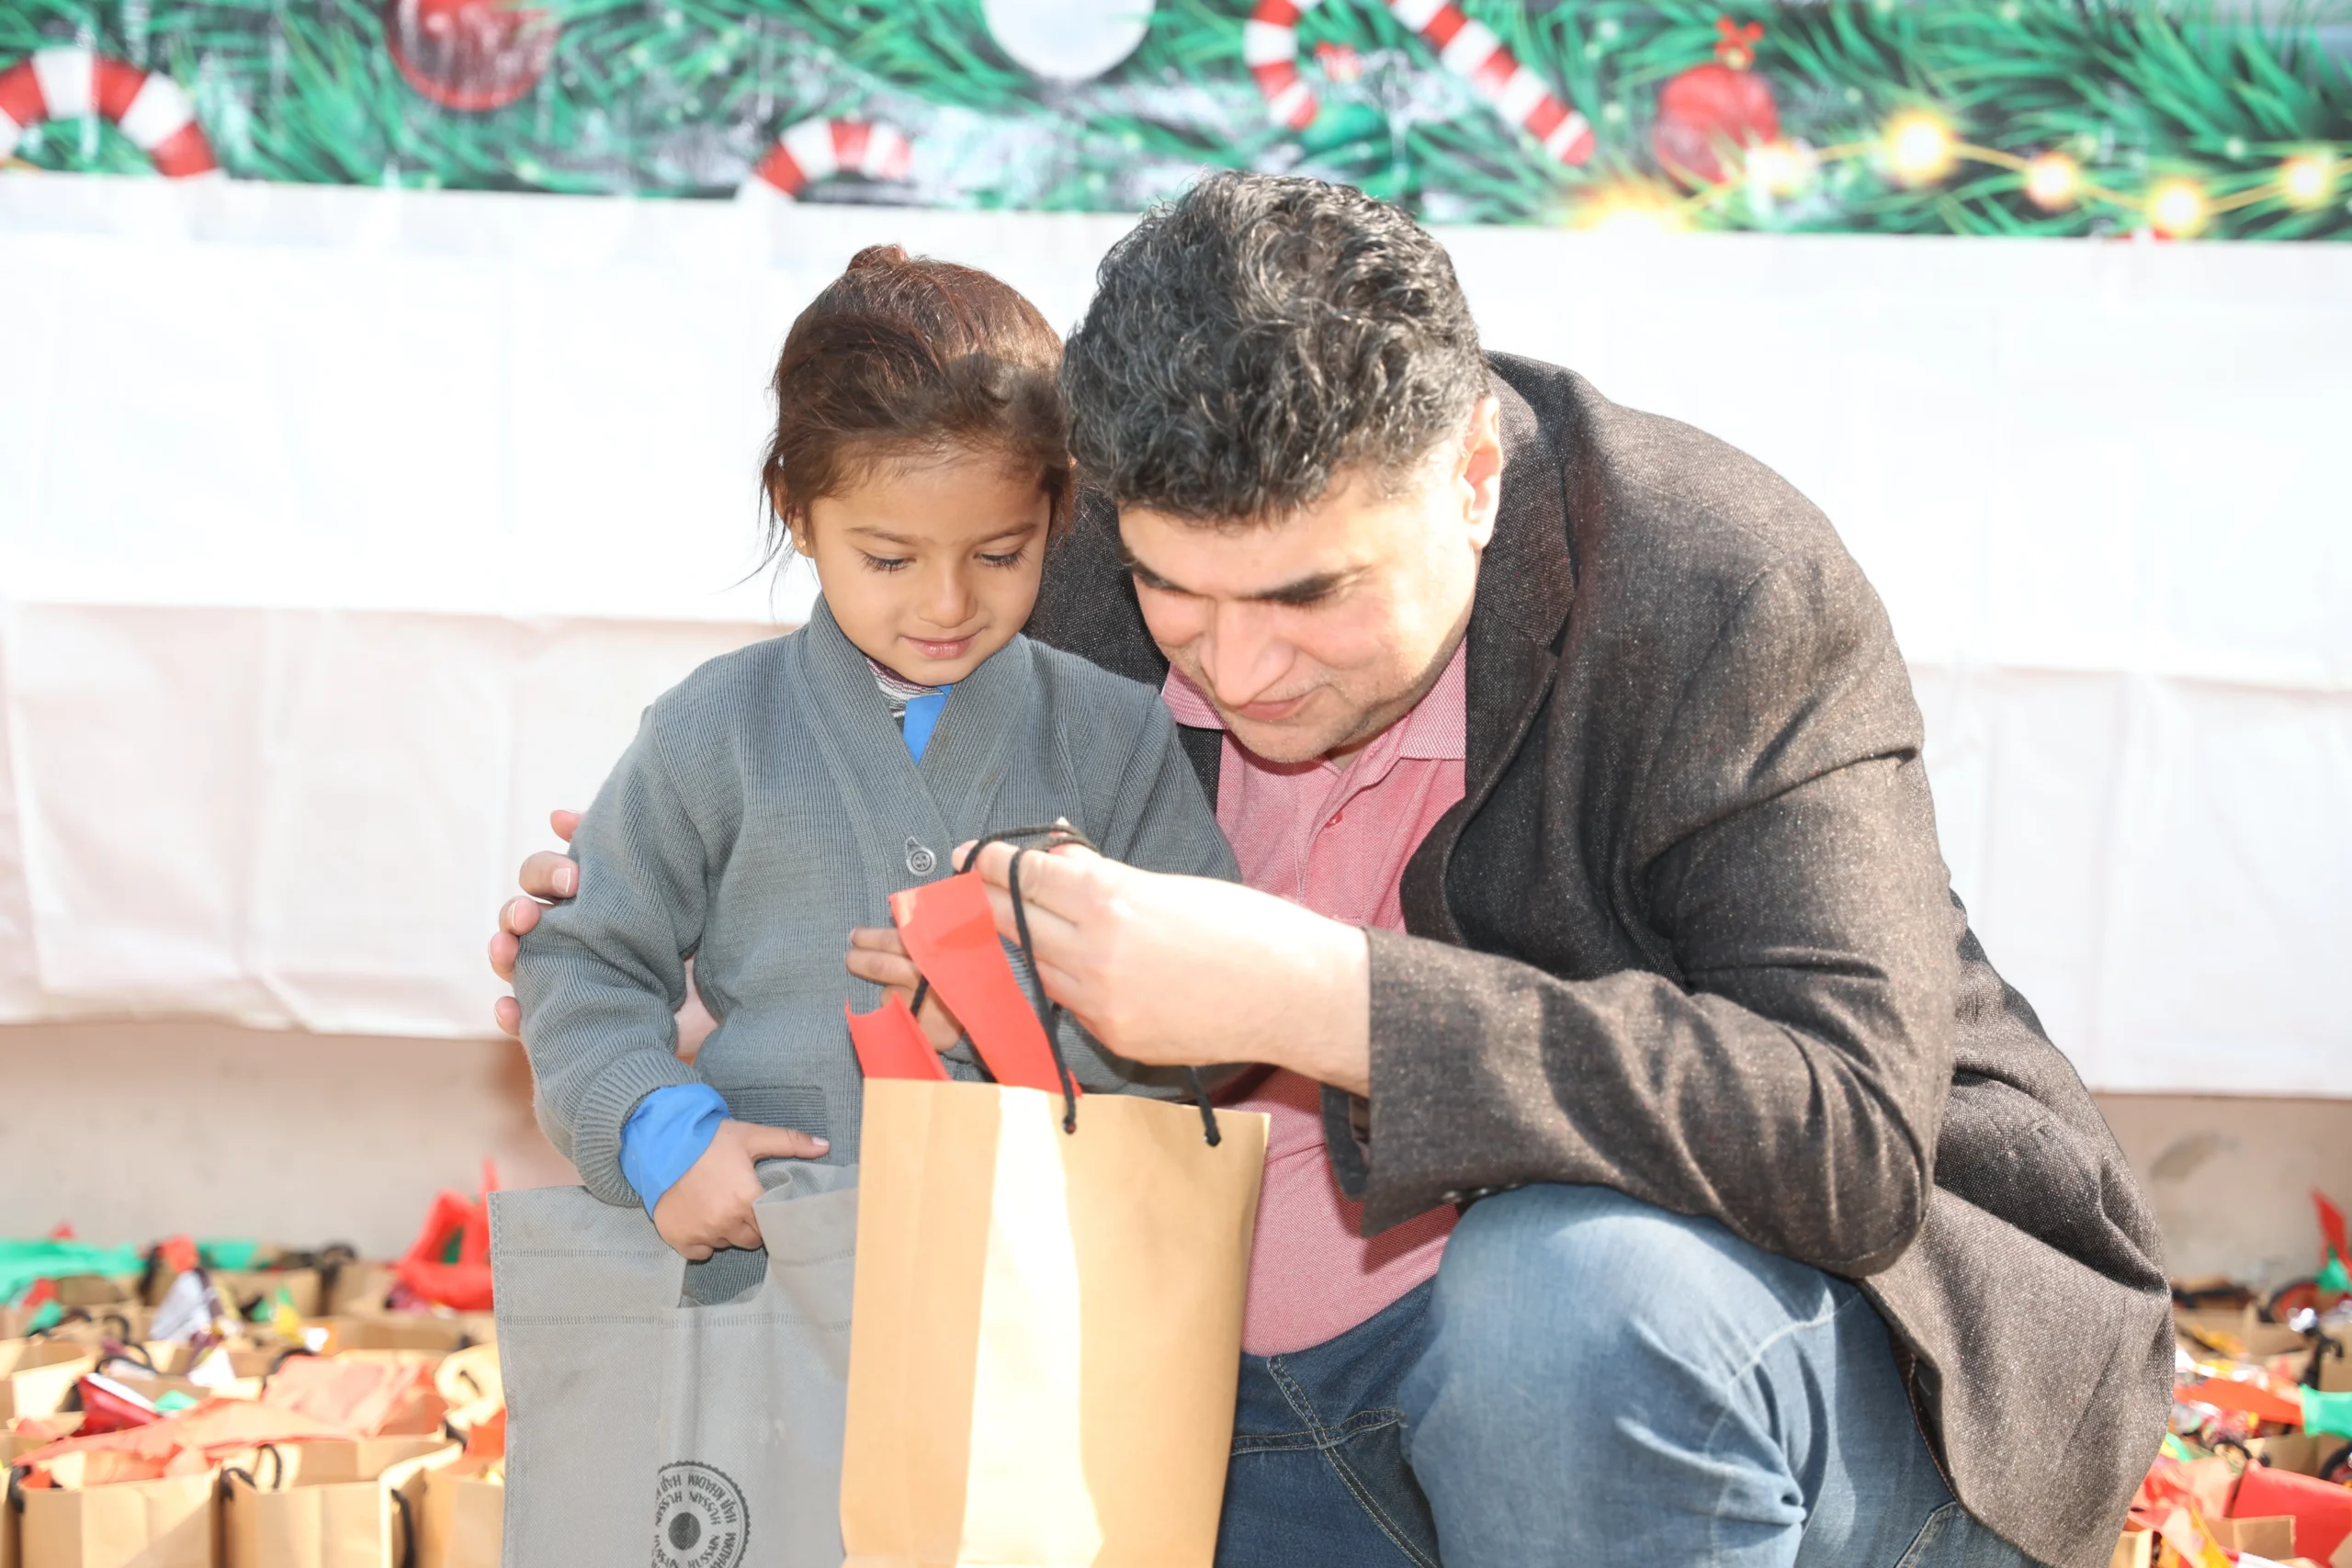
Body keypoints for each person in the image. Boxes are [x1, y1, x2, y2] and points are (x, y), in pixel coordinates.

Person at [493, 176, 2169, 1567]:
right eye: (1177, 594)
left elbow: (1847, 1133)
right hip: (1238, 1410)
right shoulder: (1081, 551)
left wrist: (1327, 997)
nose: (1237, 669)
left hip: (1768, 1392)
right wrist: (675, 934)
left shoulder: (1716, 585)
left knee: (1568, 1302)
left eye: (1311, 596)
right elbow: (838, 758)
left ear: (1473, 476)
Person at [510, 243, 1233, 1269]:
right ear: (797, 511)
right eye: (888, 559)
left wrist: (1006, 1020)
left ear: (1060, 512)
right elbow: (582, 957)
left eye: (999, 555)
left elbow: (1205, 1014)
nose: (945, 605)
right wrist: (661, 1135)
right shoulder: (711, 728)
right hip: (770, 1267)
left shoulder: (1118, 738)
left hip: (1041, 1281)